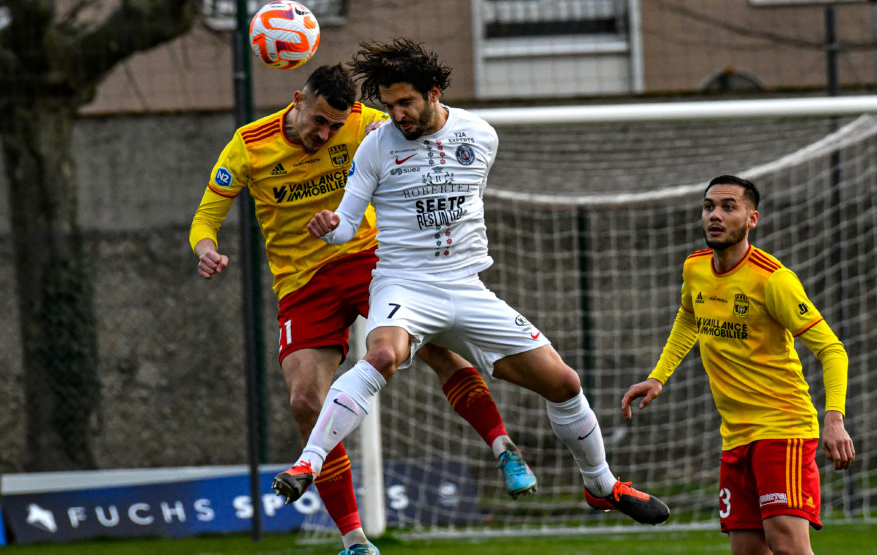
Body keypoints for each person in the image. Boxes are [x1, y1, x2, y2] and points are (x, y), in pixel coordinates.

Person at [271, 39, 670, 527]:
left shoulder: (480, 135)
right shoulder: (374, 145)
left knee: (565, 383)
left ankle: (601, 484)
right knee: (381, 356)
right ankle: (308, 463)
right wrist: (329, 225)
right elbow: (349, 226)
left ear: (434, 92)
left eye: (405, 103)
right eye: (388, 105)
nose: (395, 114)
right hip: (403, 286)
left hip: (466, 287)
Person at [189, 64, 535, 555]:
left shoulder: (368, 123)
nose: (326, 133)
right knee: (306, 401)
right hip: (301, 282)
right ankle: (355, 540)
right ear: (297, 100)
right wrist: (205, 248)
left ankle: (504, 449)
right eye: (319, 122)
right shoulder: (249, 144)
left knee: (439, 349)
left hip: (371, 261)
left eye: (336, 124)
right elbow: (206, 217)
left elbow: (420, 131)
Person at [621, 176, 856, 555]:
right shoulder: (695, 268)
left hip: (784, 429)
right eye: (709, 206)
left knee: (787, 542)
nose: (715, 215)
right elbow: (688, 318)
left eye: (728, 207)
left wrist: (834, 419)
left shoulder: (773, 280)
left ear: (752, 219)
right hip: (736, 438)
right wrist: (658, 376)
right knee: (747, 550)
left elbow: (832, 349)